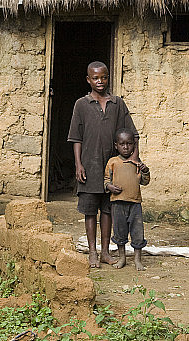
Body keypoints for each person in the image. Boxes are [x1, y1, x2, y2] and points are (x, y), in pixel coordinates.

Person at [68, 61, 139, 268]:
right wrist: (78, 164)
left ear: (108, 78)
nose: (100, 81)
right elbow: (76, 138)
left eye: (104, 77)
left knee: (108, 210)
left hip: (112, 169)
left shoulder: (118, 104)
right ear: (88, 80)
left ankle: (105, 253)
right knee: (90, 211)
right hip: (89, 166)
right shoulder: (81, 104)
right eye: (96, 78)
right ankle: (92, 252)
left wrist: (134, 159)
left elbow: (133, 134)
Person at [104, 128, 150, 270]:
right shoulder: (113, 162)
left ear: (133, 145)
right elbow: (106, 180)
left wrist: (145, 171)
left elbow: (145, 181)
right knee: (119, 232)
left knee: (137, 232)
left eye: (129, 144)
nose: (125, 147)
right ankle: (122, 258)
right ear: (116, 145)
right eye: (122, 144)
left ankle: (137, 259)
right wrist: (110, 187)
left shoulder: (137, 163)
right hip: (117, 204)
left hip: (135, 203)